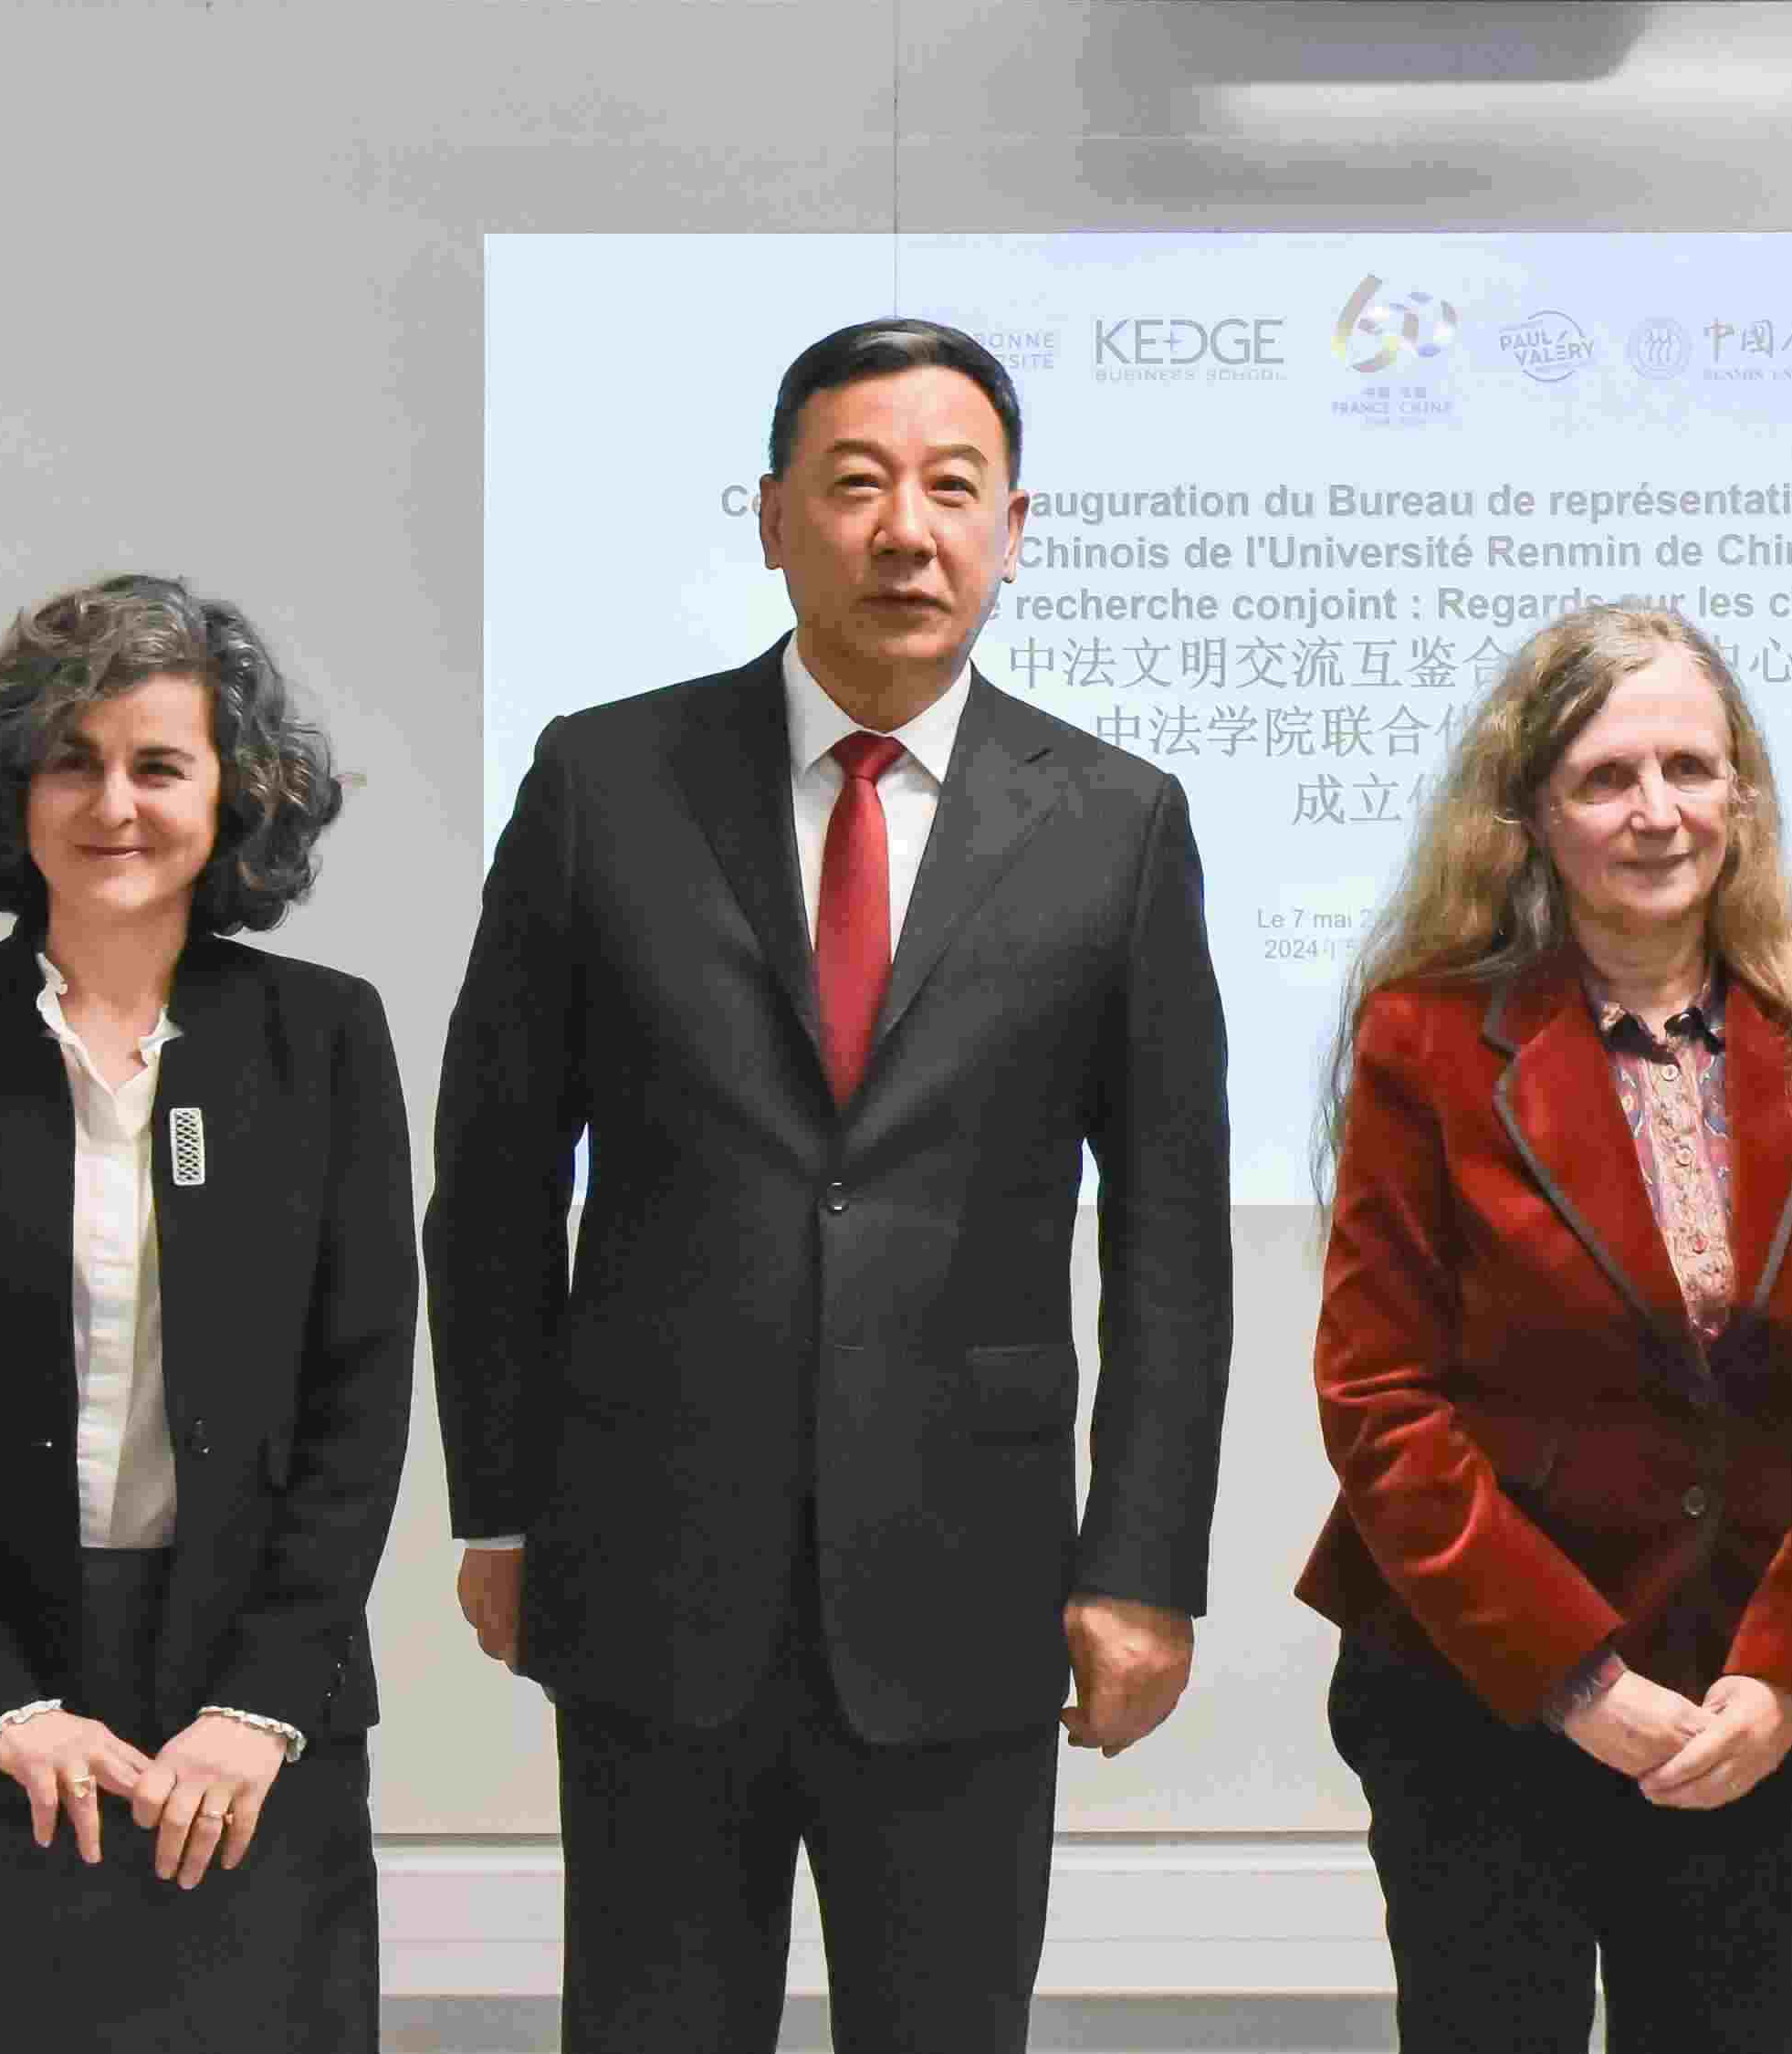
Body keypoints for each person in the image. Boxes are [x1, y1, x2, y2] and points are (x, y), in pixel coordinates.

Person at [432, 318, 1232, 2053]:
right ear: (773, 515)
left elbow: (1172, 1239)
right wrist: (500, 1499)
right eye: (857, 484)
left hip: (971, 1578)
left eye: (954, 488)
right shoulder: (604, 782)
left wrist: (1145, 1560)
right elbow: (494, 1175)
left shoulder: (1116, 821)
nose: (906, 532)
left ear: (1014, 528)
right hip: (651, 1564)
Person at [1296, 603, 1792, 2053]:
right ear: (1533, 815)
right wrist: (1579, 1680)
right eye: (1606, 777)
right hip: (1480, 1693)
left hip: (1741, 1702)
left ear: (1743, 793)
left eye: (1690, 768)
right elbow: (1380, 1395)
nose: (1657, 811)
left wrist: (1790, 1670)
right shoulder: (1426, 1034)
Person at [0, 574, 414, 2050]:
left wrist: (258, 1706)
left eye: (158, 764)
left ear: (232, 792)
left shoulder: (324, 1036)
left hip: (243, 1728)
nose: (114, 803)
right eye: (71, 760)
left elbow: (360, 1392)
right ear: (12, 789)